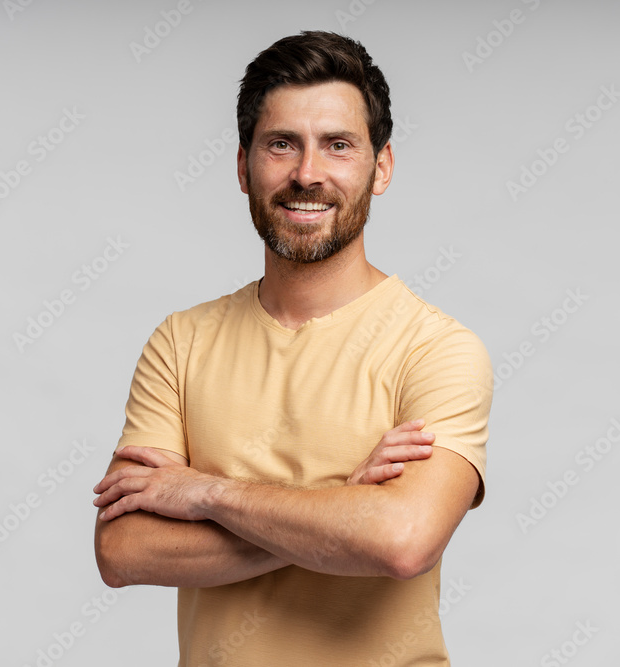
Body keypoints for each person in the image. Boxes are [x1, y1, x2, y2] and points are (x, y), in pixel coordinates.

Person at [93, 30, 493, 666]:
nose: (308, 174)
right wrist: (344, 507)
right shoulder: (181, 342)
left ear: (380, 166)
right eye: (282, 144)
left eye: (338, 145)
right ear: (243, 166)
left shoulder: (436, 349)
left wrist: (205, 494)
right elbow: (122, 552)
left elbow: (403, 541)